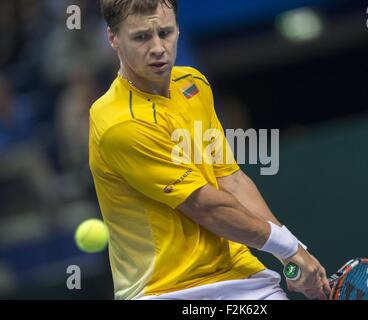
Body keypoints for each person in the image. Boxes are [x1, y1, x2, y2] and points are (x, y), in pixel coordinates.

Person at [90, 0, 330, 300]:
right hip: (166, 291)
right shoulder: (119, 122)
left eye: (165, 32)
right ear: (113, 38)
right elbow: (206, 206)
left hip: (241, 273)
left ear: (178, 29)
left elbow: (231, 179)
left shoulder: (193, 84)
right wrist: (288, 247)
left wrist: (293, 253)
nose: (158, 48)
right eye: (141, 37)